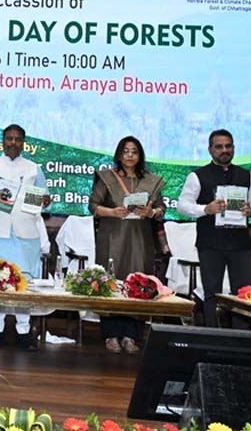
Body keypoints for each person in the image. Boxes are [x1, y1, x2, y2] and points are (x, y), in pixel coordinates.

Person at [0, 124, 51, 350]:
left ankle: (23, 332)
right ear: (3, 141)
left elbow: (44, 199)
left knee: (23, 282)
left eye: (17, 139)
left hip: (26, 234)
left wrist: (46, 201)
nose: (13, 143)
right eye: (9, 138)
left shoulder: (34, 169)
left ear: (23, 143)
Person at [178, 129, 251, 328]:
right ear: (210, 150)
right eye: (219, 147)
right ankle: (213, 335)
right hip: (210, 244)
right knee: (211, 292)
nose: (224, 150)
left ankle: (241, 337)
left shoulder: (247, 175)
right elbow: (182, 205)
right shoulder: (197, 176)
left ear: (234, 148)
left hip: (240, 244)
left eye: (228, 146)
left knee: (243, 294)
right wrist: (205, 209)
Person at [89, 136, 166, 353]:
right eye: (126, 151)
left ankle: (131, 336)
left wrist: (151, 212)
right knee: (112, 281)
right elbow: (93, 206)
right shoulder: (107, 177)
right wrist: (112, 212)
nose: (130, 155)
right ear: (119, 155)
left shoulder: (150, 180)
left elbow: (161, 209)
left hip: (140, 238)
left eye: (134, 151)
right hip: (112, 236)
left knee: (138, 282)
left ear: (140, 155)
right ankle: (111, 335)